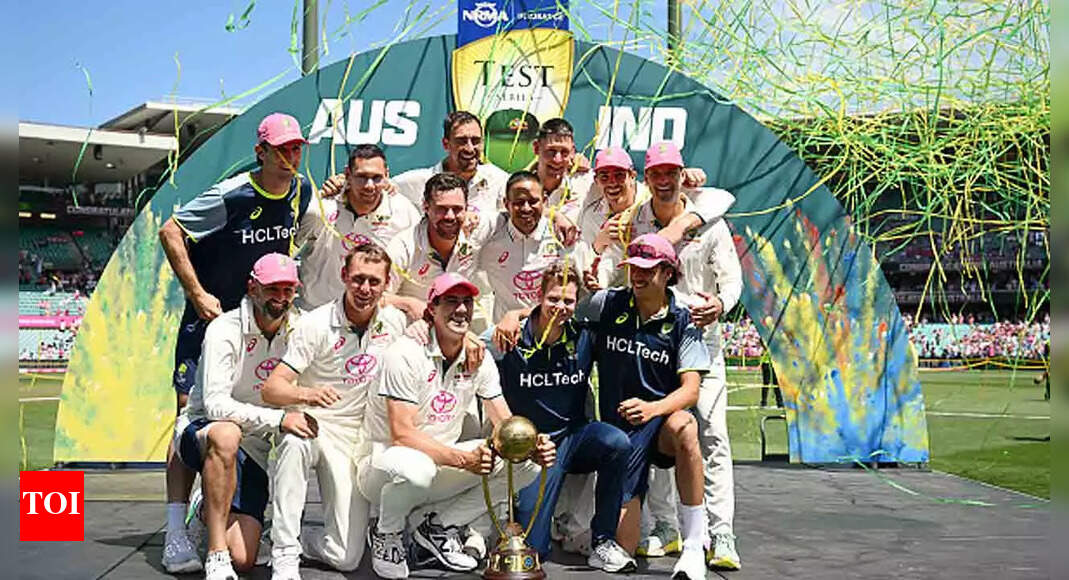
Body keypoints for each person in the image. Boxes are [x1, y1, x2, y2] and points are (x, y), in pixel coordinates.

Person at [158, 112, 324, 574]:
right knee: (193, 418)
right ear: (262, 152)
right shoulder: (233, 193)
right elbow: (171, 231)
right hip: (213, 323)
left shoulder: (301, 193)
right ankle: (176, 532)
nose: (292, 157)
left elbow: (308, 237)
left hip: (264, 319)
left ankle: (229, 512)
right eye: (283, 149)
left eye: (297, 148)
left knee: (246, 422)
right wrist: (197, 293)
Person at [602, 142, 744, 571]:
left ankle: (720, 532)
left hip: (701, 338)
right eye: (656, 174)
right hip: (651, 340)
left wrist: (720, 305)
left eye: (672, 173)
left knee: (712, 433)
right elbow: (615, 266)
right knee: (653, 430)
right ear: (646, 180)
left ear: (683, 175)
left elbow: (731, 280)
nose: (664, 181)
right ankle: (665, 526)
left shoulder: (709, 220)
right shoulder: (636, 220)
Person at [358, 272, 556, 579]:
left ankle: (437, 527)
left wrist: (532, 444)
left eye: (467, 302)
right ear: (431, 309)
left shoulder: (480, 357)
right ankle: (387, 532)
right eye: (451, 301)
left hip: (441, 462)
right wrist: (464, 460)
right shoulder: (403, 354)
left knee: (526, 467)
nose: (461, 309)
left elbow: (503, 420)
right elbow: (402, 434)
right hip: (384, 466)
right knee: (417, 469)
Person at [260, 243, 407, 580]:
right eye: (357, 279)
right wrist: (308, 394)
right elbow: (272, 388)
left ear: (386, 284)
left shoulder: (395, 322)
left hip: (363, 440)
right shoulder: (314, 324)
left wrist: (469, 341)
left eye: (374, 281)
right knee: (294, 442)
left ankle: (312, 542)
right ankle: (284, 553)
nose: (364, 289)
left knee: (346, 557)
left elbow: (440, 327)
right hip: (319, 427)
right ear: (343, 276)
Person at [576, 233, 712, 580]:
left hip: (660, 423)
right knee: (623, 549)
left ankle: (696, 544)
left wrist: (653, 409)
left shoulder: (685, 317)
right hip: (619, 435)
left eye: (647, 269)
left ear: (668, 272)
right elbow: (556, 310)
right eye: (633, 266)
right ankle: (649, 522)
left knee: (685, 426)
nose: (637, 275)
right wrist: (515, 317)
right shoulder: (605, 303)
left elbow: (691, 390)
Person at [487, 260, 635, 572]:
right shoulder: (508, 335)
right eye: (553, 299)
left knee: (617, 443)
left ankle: (603, 540)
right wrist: (512, 315)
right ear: (539, 297)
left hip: (574, 437)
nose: (560, 307)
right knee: (532, 549)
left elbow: (622, 317)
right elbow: (465, 346)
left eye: (568, 300)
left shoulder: (583, 335)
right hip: (533, 449)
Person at [172, 253, 310, 580]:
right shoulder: (224, 328)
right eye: (272, 289)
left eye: (287, 290)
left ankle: (206, 506)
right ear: (253, 288)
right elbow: (217, 407)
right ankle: (216, 554)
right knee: (227, 433)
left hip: (254, 449)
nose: (280, 298)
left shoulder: (301, 328)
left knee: (246, 559)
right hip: (204, 431)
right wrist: (278, 420)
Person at [296, 144, 421, 309]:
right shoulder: (321, 208)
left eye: (376, 178)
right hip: (315, 312)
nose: (369, 185)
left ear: (387, 176)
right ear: (348, 174)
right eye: (362, 177)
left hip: (374, 317)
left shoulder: (403, 213)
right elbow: (287, 251)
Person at [384, 172, 492, 324]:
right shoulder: (404, 246)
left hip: (468, 330)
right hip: (419, 332)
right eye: (442, 209)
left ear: (466, 208)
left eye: (457, 209)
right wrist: (408, 304)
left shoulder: (478, 232)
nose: (450, 216)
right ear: (426, 207)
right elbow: (378, 297)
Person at [478, 170, 570, 324]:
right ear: (506, 204)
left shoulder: (561, 235)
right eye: (519, 203)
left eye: (533, 201)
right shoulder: (489, 240)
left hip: (552, 332)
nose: (526, 208)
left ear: (545, 201)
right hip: (505, 336)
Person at [392, 111, 509, 217]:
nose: (470, 148)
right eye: (461, 141)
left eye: (475, 141)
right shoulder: (418, 182)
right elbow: (383, 190)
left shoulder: (498, 180)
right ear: (446, 144)